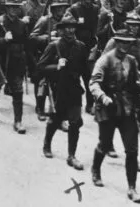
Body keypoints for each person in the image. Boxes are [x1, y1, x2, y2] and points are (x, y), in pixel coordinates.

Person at [89, 27, 140, 203]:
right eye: (121, 42)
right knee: (105, 144)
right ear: (116, 42)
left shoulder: (132, 61)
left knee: (132, 150)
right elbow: (94, 83)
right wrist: (102, 97)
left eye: (128, 43)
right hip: (108, 107)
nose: (124, 46)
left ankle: (131, 187)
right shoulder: (105, 60)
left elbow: (139, 80)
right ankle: (96, 169)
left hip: (127, 108)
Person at [38, 10, 89, 168]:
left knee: (75, 122)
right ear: (61, 29)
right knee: (56, 119)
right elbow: (40, 68)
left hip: (74, 88)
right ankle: (47, 144)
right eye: (66, 27)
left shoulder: (81, 46)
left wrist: (91, 91)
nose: (70, 30)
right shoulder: (54, 46)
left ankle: (71, 155)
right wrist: (56, 67)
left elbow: (85, 71)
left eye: (72, 27)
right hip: (58, 87)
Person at [0, 0, 31, 133]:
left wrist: (26, 63)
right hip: (0, 61)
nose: (13, 10)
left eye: (16, 7)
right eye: (11, 7)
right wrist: (3, 40)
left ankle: (18, 121)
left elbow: (25, 44)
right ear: (6, 8)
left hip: (16, 61)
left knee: (18, 91)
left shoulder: (22, 24)